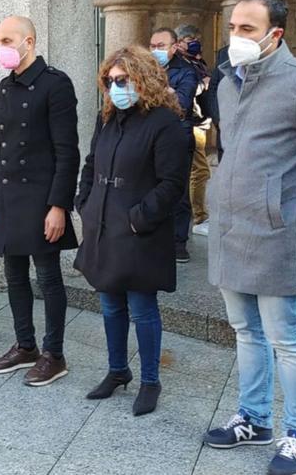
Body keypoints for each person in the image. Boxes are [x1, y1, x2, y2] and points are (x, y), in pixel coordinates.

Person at [202, 0, 296, 475]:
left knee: (287, 337)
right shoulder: (228, 82)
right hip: (231, 229)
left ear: (276, 34)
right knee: (245, 331)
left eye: (247, 29)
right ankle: (254, 418)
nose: (236, 37)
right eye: (232, 28)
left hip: (278, 235)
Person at [75, 46, 189, 416]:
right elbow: (91, 163)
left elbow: (172, 184)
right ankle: (117, 370)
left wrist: (139, 218)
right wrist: (84, 202)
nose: (115, 88)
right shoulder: (108, 118)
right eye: (110, 82)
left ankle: (150, 381)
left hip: (140, 232)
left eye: (122, 80)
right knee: (110, 304)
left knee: (141, 308)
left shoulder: (165, 123)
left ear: (143, 79)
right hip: (103, 227)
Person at [0, 16, 80, 387]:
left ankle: (53, 354)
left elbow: (67, 151)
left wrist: (59, 205)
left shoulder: (56, 84)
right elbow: (0, 150)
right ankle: (25, 345)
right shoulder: (3, 87)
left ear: (29, 41)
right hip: (8, 197)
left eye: (7, 40)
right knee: (13, 275)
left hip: (42, 198)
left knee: (48, 277)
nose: (1, 48)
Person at [149, 27, 197, 263]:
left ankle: (179, 242)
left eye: (161, 46)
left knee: (178, 191)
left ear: (175, 47)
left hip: (178, 136)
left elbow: (182, 103)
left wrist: (158, 86)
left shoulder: (186, 71)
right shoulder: (145, 68)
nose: (155, 50)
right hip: (150, 135)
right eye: (152, 46)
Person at [175, 24, 214, 237]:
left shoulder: (197, 61)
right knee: (200, 171)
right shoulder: (181, 65)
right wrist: (203, 84)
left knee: (196, 171)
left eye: (196, 39)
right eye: (190, 40)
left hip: (200, 120)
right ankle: (199, 216)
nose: (194, 43)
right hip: (191, 122)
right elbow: (188, 90)